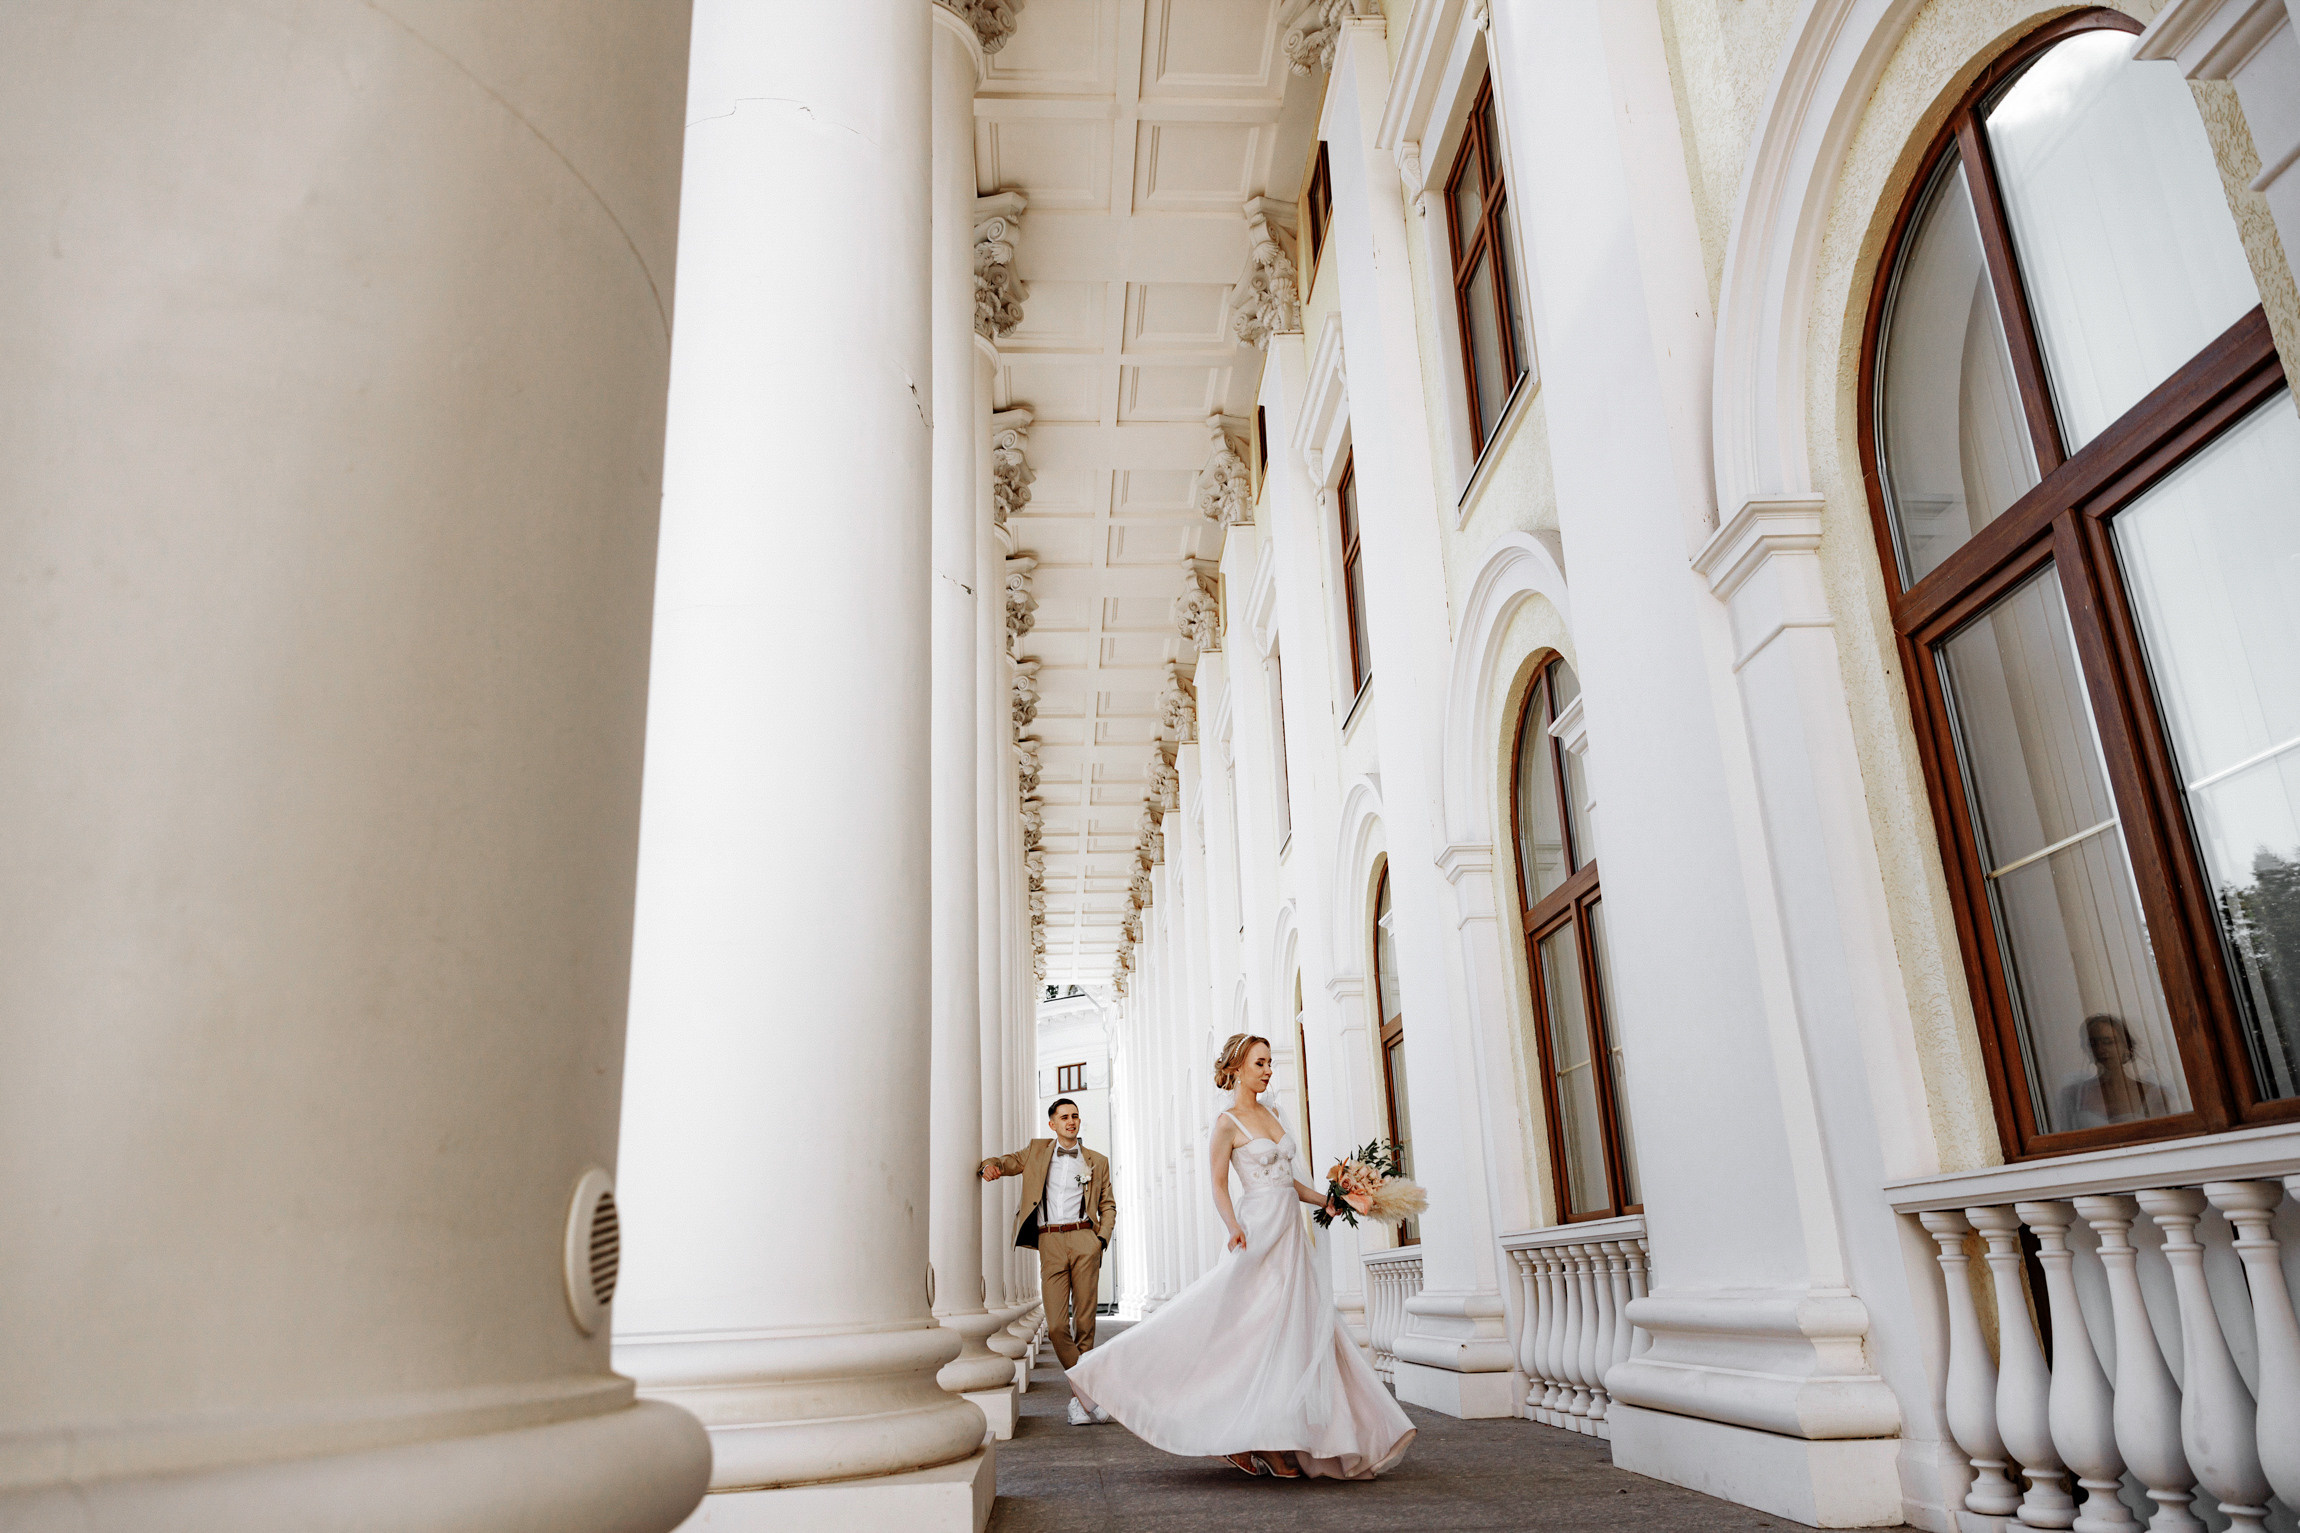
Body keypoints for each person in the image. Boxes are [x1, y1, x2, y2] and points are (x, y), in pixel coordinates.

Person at [1065, 1034, 1415, 1480]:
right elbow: (1217, 1183)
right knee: (1226, 1322)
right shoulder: (1227, 1122)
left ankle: (1271, 1435)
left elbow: (1290, 1181)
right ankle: (1102, 1373)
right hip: (1256, 1232)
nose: (1268, 1071)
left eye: (1270, 1063)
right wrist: (1232, 1226)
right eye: (1260, 1063)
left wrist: (1330, 1199)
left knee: (1292, 1330)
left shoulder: (1272, 1113)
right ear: (1236, 1068)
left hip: (1289, 1235)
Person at [981, 1096, 1117, 1425]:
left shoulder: (1096, 1161)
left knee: (1085, 1324)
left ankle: (1079, 1402)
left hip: (1085, 1239)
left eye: (1076, 1116)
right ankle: (1088, 1395)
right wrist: (989, 1164)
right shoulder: (1038, 1151)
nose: (1072, 1121)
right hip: (1050, 1241)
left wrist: (1100, 1240)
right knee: (1056, 1325)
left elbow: (1108, 1204)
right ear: (1052, 1124)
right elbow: (1008, 1162)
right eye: (1065, 1117)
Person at [2056, 1012, 2173, 1129]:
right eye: (2093, 1043)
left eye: (2108, 1042)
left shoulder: (2151, 1094)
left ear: (2126, 1047)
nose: (2101, 1049)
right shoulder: (2073, 1096)